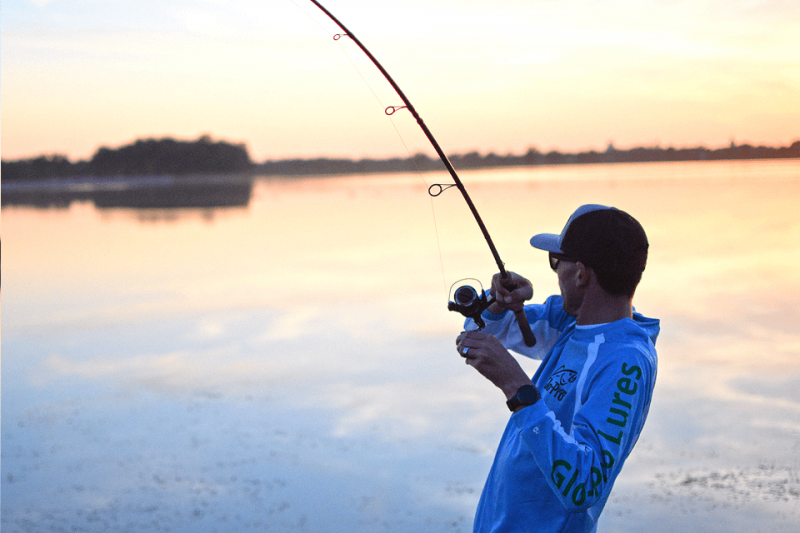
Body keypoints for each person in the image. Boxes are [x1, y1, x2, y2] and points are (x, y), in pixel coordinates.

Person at [456, 204, 659, 533]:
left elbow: (584, 485)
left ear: (581, 273)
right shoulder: (570, 321)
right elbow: (478, 336)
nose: (554, 271)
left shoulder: (625, 361)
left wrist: (516, 387)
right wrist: (498, 300)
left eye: (555, 261)